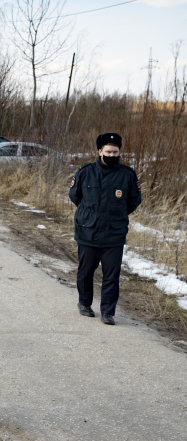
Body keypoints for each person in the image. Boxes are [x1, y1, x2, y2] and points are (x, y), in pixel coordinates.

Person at [69, 132, 141, 325]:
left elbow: (134, 200)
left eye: (115, 152)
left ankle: (108, 312)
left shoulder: (128, 175)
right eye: (108, 151)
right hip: (88, 232)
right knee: (85, 272)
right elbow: (75, 196)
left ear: (119, 152)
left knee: (112, 275)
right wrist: (90, 214)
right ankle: (84, 304)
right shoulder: (85, 172)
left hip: (114, 234)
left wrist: (115, 214)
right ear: (100, 151)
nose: (111, 155)